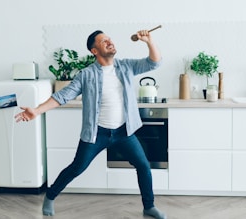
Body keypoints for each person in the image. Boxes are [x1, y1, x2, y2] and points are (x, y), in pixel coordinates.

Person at [15, 29, 166, 219]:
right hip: (97, 134)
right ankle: (50, 196)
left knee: (143, 166)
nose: (110, 42)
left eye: (110, 39)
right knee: (77, 168)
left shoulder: (126, 66)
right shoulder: (86, 75)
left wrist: (149, 41)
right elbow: (63, 95)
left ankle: (149, 207)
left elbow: (155, 62)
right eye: (104, 41)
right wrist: (36, 110)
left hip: (124, 132)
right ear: (94, 51)